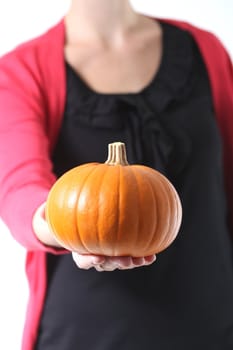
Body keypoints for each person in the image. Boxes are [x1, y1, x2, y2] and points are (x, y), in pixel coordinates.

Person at [0, 0, 233, 349]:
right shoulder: (22, 70)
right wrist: (58, 226)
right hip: (83, 335)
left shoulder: (205, 49)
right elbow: (18, 186)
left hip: (211, 326)